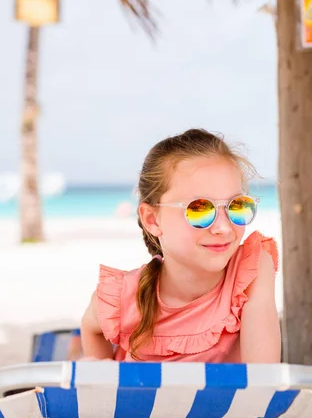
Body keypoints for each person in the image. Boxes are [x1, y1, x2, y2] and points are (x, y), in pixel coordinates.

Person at [81, 128, 280, 363]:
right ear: (152, 220)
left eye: (236, 206)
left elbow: (263, 380)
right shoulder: (124, 299)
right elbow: (91, 327)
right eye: (199, 209)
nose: (224, 228)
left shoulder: (249, 273)